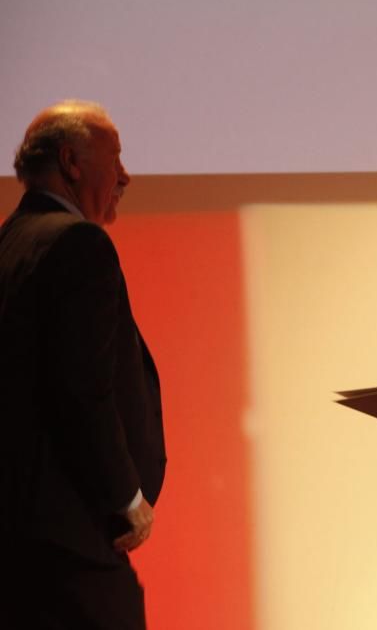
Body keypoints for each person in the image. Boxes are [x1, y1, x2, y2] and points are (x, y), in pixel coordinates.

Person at [0, 100, 166, 629]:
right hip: (73, 550)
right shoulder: (79, 243)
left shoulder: (10, 241)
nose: (125, 175)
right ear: (72, 162)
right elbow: (82, 394)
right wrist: (127, 496)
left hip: (20, 551)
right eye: (114, 157)